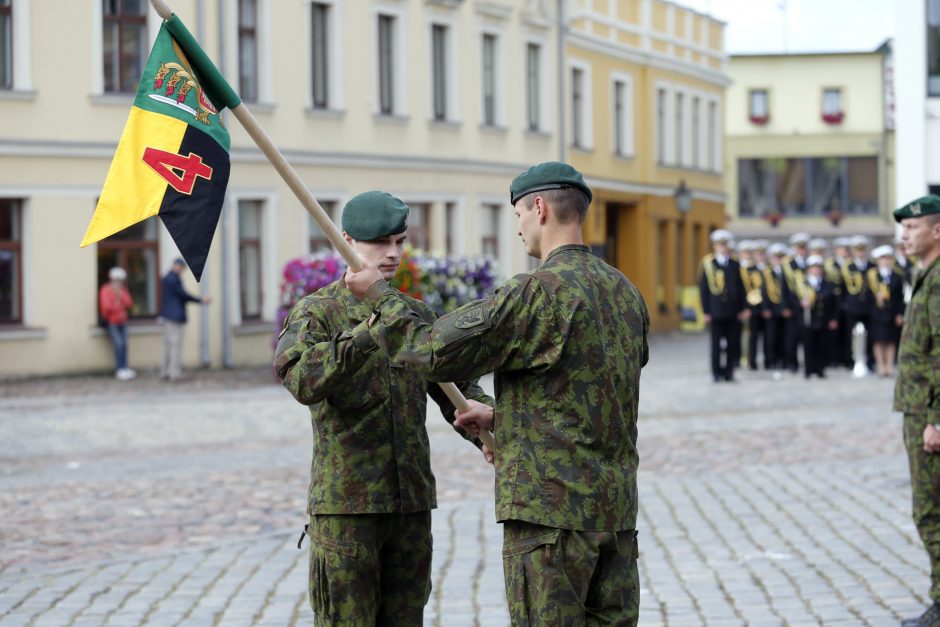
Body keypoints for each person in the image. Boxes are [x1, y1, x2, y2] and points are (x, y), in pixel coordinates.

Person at [344, 162, 650, 625]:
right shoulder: (626, 293)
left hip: (552, 523)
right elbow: (589, 397)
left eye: (519, 216)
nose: (520, 229)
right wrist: (501, 420)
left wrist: (382, 297)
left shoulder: (535, 293)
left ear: (540, 208)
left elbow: (426, 350)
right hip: (615, 519)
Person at [273, 191, 494, 625]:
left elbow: (455, 388)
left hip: (410, 505)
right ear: (347, 240)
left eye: (400, 241)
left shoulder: (412, 315)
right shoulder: (317, 312)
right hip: (347, 509)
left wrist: (489, 426)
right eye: (380, 243)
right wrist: (365, 335)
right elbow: (302, 380)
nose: (392, 253)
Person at [894, 196, 940, 627]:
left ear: (936, 231)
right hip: (920, 409)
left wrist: (936, 419)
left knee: (931, 510)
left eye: (912, 228)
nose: (904, 236)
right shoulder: (927, 275)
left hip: (930, 414)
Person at [699, 229, 749, 382]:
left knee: (732, 343)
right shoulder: (708, 264)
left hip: (733, 311)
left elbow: (741, 288)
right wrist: (706, 311)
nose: (722, 248)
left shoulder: (734, 264)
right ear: (714, 246)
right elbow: (704, 289)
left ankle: (729, 373)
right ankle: (716, 373)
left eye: (724, 245)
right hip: (715, 311)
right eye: (719, 245)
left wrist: (743, 308)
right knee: (716, 344)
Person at [159, 258, 211, 382]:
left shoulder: (167, 278)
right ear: (178, 266)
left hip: (167, 316)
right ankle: (174, 373)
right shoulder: (173, 279)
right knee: (175, 346)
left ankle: (165, 371)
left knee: (168, 346)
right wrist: (201, 300)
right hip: (174, 316)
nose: (182, 271)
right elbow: (183, 295)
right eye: (182, 268)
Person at [797, 255, 838, 379]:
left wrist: (833, 319)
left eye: (818, 267)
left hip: (823, 320)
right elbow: (794, 300)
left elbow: (835, 303)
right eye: (813, 267)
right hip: (808, 320)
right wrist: (801, 304)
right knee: (808, 345)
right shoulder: (803, 284)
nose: (816, 270)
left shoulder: (828, 284)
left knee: (822, 346)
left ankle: (820, 369)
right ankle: (809, 369)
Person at [761, 243, 798, 380]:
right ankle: (771, 361)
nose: (778, 259)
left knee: (788, 338)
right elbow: (763, 291)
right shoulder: (767, 272)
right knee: (771, 338)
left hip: (787, 309)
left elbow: (791, 291)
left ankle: (787, 361)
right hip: (772, 309)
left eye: (781, 257)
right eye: (776, 257)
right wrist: (765, 308)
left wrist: (787, 308)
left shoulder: (789, 272)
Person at [867, 245, 905, 378]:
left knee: (891, 340)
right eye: (882, 259)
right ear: (877, 260)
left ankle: (889, 366)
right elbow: (865, 295)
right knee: (878, 340)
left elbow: (900, 297)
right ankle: (880, 366)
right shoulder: (872, 276)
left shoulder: (896, 276)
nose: (885, 261)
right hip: (876, 313)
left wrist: (900, 313)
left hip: (892, 312)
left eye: (888, 258)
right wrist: (874, 298)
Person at [98, 266, 136, 381]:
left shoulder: (123, 290)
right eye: (117, 280)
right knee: (118, 344)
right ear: (112, 279)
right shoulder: (106, 289)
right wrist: (119, 307)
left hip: (123, 321)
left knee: (124, 345)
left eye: (120, 281)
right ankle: (120, 369)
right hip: (112, 322)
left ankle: (125, 368)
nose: (118, 283)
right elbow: (106, 307)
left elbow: (129, 304)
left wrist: (120, 296)